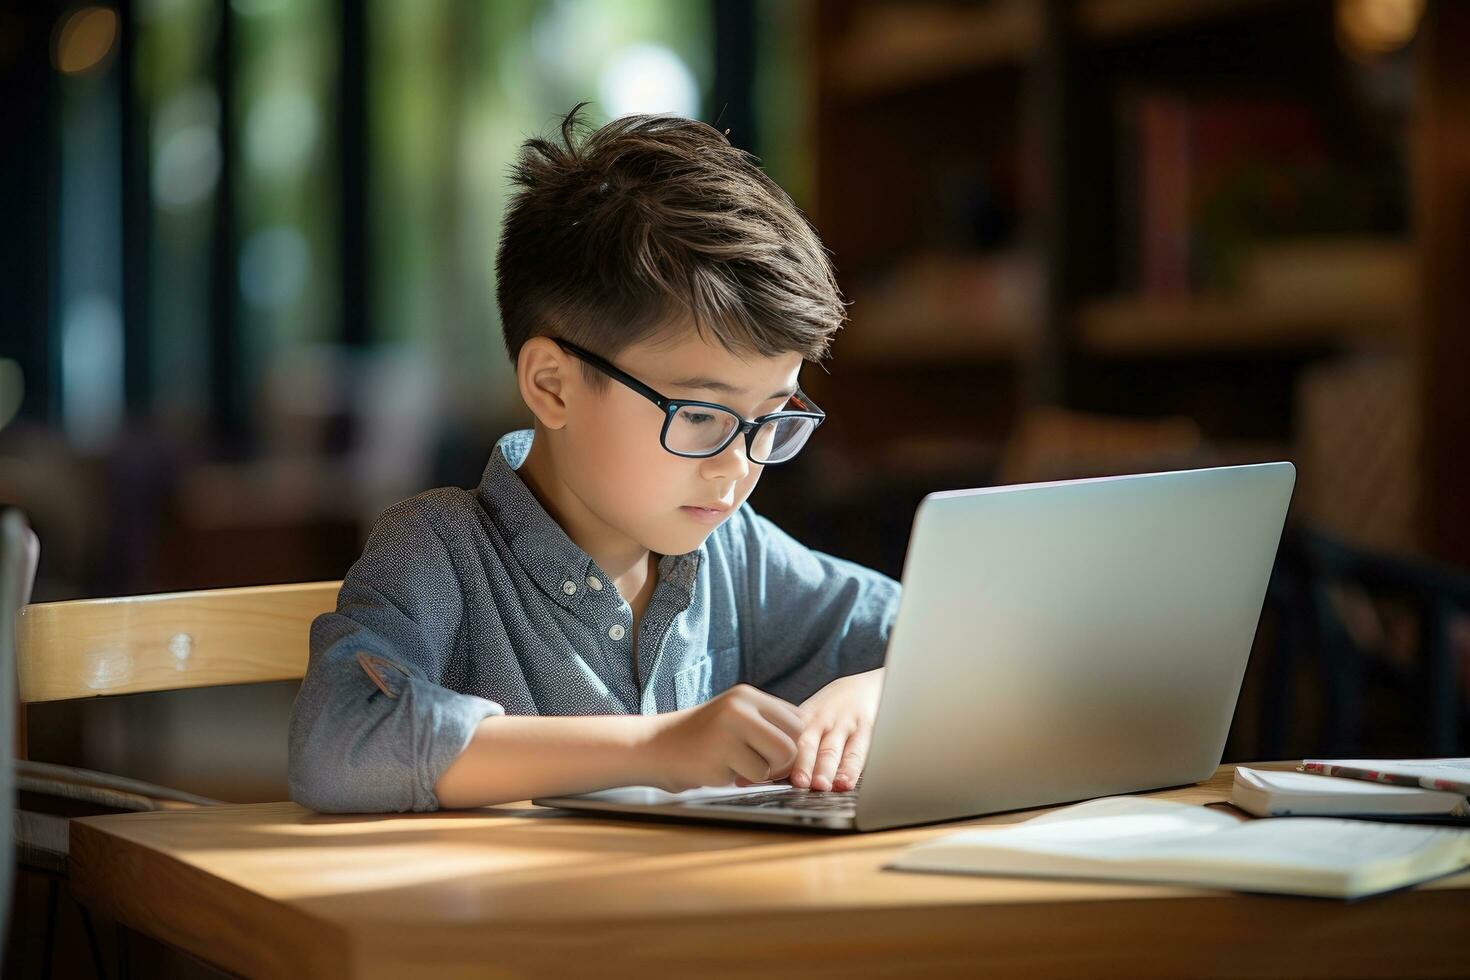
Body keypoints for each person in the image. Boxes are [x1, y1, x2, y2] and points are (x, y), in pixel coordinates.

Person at [287, 104, 900, 813]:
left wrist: (871, 694)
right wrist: (653, 748)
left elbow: (945, 636)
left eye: (769, 419)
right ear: (553, 385)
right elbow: (337, 742)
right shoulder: (439, 552)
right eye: (700, 415)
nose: (736, 467)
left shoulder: (734, 552)